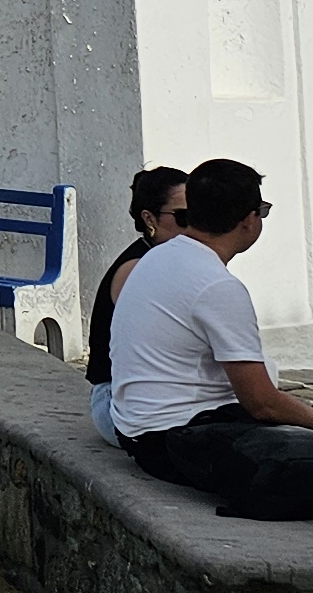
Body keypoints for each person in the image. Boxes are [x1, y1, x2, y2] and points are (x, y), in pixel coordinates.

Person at [109, 160, 313, 534]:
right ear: (250, 221)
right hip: (176, 439)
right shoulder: (216, 286)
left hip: (136, 428)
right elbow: (261, 402)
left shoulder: (157, 257)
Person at [82, 165, 194, 447]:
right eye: (183, 216)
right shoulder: (137, 268)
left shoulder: (171, 260)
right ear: (149, 218)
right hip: (120, 401)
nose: (195, 224)